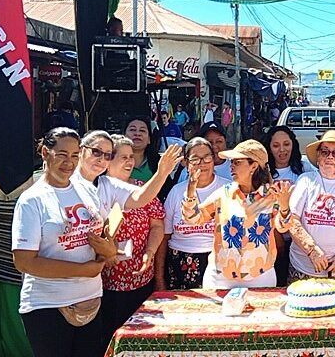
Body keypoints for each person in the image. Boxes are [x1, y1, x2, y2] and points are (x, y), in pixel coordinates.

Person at [12, 128, 116, 357]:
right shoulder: (32, 200)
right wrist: (82, 270)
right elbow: (24, 262)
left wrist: (109, 251)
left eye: (75, 155)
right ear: (44, 153)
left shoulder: (88, 190)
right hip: (48, 306)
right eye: (61, 154)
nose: (69, 162)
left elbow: (107, 235)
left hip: (90, 301)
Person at [180, 139, 280, 289]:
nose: (231, 166)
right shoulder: (224, 193)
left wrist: (284, 206)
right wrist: (191, 191)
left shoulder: (273, 196)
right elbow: (193, 219)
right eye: (232, 162)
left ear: (253, 166)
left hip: (260, 275)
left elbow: (284, 227)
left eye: (237, 162)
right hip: (221, 276)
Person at [99, 135, 165, 346]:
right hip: (104, 282)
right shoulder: (95, 191)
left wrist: (150, 251)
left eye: (131, 157)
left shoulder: (143, 189)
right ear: (108, 161)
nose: (130, 162)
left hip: (140, 278)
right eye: (123, 157)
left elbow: (157, 225)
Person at [274, 130, 335, 284]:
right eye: (325, 152)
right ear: (318, 156)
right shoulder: (306, 181)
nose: (329, 157)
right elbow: (292, 220)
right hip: (302, 269)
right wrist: (312, 251)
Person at [160, 138, 231, 290]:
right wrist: (159, 278)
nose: (202, 163)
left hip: (219, 261)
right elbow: (164, 236)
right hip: (180, 262)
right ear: (186, 163)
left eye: (207, 157)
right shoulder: (176, 192)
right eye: (195, 159)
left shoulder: (228, 189)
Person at [72, 130, 181, 218]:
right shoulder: (64, 182)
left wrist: (162, 173)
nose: (101, 159)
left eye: (107, 155)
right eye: (96, 152)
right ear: (81, 151)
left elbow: (139, 198)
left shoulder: (107, 184)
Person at [262, 126, 311, 286]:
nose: (282, 150)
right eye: (276, 146)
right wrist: (276, 235)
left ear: (293, 144)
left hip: (299, 240)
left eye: (286, 144)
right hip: (271, 241)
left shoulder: (305, 169)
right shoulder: (263, 172)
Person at [124, 117, 160, 183]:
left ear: (149, 139)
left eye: (142, 130)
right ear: (124, 136)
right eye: (132, 129)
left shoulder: (158, 162)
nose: (137, 134)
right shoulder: (111, 160)